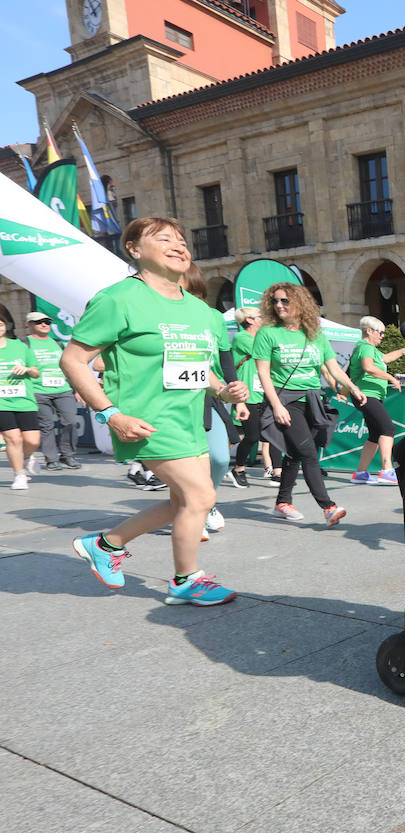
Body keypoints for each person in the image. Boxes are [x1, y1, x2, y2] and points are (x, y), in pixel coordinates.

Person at [60, 217, 248, 605]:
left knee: (188, 501)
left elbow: (200, 369)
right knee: (199, 496)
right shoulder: (117, 300)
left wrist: (226, 391)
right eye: (164, 239)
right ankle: (186, 580)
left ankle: (106, 544)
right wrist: (109, 413)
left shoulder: (204, 312)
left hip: (189, 420)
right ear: (134, 249)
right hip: (144, 420)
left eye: (182, 240)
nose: (179, 246)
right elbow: (74, 361)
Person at [255, 282, 362, 525]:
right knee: (308, 453)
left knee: (295, 453)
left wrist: (354, 388)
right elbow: (263, 374)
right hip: (285, 400)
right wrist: (277, 406)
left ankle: (282, 502)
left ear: (300, 303)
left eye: (285, 301)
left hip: (313, 400)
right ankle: (328, 507)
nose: (279, 305)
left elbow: (333, 369)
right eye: (275, 301)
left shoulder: (316, 335)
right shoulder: (268, 333)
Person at [181, 262, 234, 539]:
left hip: (209, 395)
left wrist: (239, 399)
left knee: (219, 458)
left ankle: (207, 501)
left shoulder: (213, 317)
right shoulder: (161, 313)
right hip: (174, 400)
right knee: (185, 462)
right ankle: (195, 511)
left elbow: (225, 359)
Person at [347, 316, 405, 484]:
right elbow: (368, 368)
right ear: (369, 331)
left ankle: (360, 473)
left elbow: (386, 359)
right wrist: (392, 378)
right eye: (380, 332)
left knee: (376, 435)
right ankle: (386, 471)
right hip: (366, 395)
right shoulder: (366, 347)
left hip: (370, 395)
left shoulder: (370, 349)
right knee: (388, 429)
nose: (383, 336)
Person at [228, 304, 282, 486]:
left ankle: (277, 472)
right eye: (260, 316)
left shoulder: (263, 336)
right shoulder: (241, 337)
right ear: (249, 320)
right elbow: (265, 352)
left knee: (273, 433)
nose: (264, 318)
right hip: (247, 395)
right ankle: (238, 469)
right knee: (250, 436)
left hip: (265, 393)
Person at [26, 311, 82, 471]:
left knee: (71, 421)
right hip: (37, 391)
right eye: (39, 322)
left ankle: (67, 455)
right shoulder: (24, 343)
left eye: (47, 322)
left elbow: (69, 367)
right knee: (46, 426)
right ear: (28, 325)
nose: (44, 325)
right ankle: (51, 459)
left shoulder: (58, 343)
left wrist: (77, 389)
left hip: (62, 389)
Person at [0, 307, 41, 490]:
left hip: (24, 400)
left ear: (5, 326)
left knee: (32, 441)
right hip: (2, 402)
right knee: (13, 439)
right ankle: (19, 475)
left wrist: (26, 370)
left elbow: (36, 372)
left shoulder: (19, 346)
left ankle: (26, 456)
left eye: (0, 324)